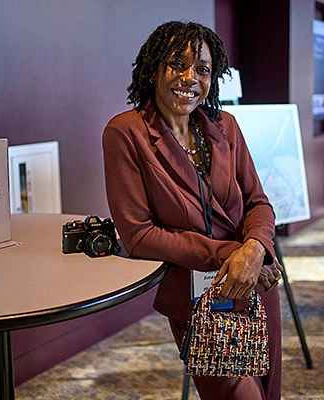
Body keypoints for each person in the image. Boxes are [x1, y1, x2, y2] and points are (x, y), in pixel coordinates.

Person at [103, 20, 283, 400]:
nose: (189, 77)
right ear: (153, 68)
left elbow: (258, 203)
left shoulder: (226, 126)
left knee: (269, 391)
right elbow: (138, 235)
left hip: (254, 281)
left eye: (201, 69)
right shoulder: (125, 133)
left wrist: (254, 250)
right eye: (176, 64)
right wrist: (234, 254)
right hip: (200, 298)